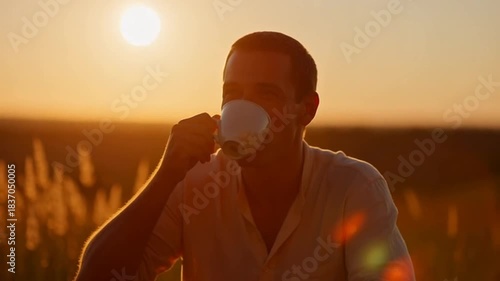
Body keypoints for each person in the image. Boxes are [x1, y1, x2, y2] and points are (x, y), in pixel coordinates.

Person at [74, 31, 415, 281]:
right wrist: (166, 177)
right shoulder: (193, 184)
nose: (244, 106)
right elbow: (97, 276)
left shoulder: (353, 187)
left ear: (306, 110)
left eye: (266, 93)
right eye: (232, 93)